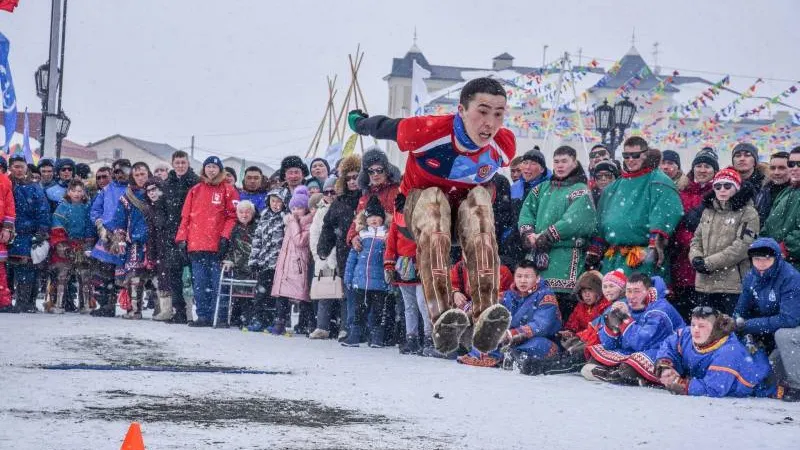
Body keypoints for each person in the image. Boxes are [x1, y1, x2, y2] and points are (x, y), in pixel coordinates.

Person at [348, 77, 517, 355]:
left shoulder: (503, 144)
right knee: (433, 200)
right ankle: (441, 315)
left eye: (498, 114)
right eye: (483, 111)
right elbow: (385, 127)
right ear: (461, 110)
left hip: (461, 218)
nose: (490, 123)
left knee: (479, 200)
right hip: (419, 209)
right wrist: (359, 123)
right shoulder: (428, 130)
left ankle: (486, 314)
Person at [518, 145, 597, 318]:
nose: (560, 165)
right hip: (538, 256)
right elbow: (526, 213)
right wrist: (528, 233)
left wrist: (546, 235)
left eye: (564, 161)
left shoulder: (580, 190)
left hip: (566, 258)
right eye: (556, 161)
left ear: (574, 163)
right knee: (535, 305)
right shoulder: (540, 189)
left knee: (561, 309)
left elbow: (575, 220)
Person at [592, 137, 683, 278]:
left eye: (635, 155)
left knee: (638, 298)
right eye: (626, 156)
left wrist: (655, 242)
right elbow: (601, 221)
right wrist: (595, 249)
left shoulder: (659, 181)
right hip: (613, 258)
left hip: (641, 258)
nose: (630, 159)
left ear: (645, 155)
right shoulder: (613, 188)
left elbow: (665, 212)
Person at [654, 307, 781, 398]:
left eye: (702, 326)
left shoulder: (729, 351)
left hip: (762, 387)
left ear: (715, 329)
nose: (695, 330)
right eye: (693, 325)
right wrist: (665, 366)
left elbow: (714, 388)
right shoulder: (687, 334)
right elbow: (669, 345)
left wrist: (682, 385)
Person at [583, 273, 685, 384]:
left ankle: (617, 375)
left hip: (662, 352)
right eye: (628, 291)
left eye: (637, 291)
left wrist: (624, 319)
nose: (631, 296)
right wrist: (611, 324)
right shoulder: (624, 303)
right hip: (633, 351)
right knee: (594, 357)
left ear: (648, 291)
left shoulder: (660, 309)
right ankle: (616, 374)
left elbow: (641, 343)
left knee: (629, 367)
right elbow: (609, 345)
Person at [175, 156, 239, 327]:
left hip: (217, 246)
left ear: (220, 170)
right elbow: (185, 217)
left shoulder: (228, 190)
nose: (211, 170)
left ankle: (220, 316)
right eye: (208, 166)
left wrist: (225, 237)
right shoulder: (195, 190)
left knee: (218, 284)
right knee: (200, 284)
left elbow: (233, 217)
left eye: (214, 167)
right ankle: (203, 315)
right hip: (196, 245)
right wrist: (182, 238)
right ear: (204, 169)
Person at [460, 260, 561, 368]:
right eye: (519, 276)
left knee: (538, 345)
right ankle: (506, 356)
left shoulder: (546, 295)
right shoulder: (508, 295)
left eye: (527, 277)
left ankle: (509, 356)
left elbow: (541, 325)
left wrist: (511, 334)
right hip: (509, 341)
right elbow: (487, 302)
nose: (522, 281)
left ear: (537, 279)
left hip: (538, 339)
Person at [688, 167, 759, 315]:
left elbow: (742, 247)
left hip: (733, 285)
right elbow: (696, 239)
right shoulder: (708, 211)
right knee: (707, 329)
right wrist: (695, 258)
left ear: (737, 188)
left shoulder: (748, 212)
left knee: (731, 329)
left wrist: (708, 263)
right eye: (717, 186)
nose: (722, 190)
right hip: (705, 283)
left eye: (727, 186)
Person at [668, 147, 719, 318]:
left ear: (715, 170)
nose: (702, 170)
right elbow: (676, 223)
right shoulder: (681, 192)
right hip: (681, 262)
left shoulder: (720, 193)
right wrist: (687, 241)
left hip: (706, 261)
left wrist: (696, 245)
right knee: (682, 309)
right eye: (699, 165)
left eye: (707, 166)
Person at [317, 154, 362, 341]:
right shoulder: (339, 202)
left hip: (367, 250)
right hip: (344, 250)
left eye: (356, 177)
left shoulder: (367, 197)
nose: (352, 182)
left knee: (364, 291)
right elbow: (327, 226)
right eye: (348, 178)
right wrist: (323, 247)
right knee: (347, 290)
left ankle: (362, 329)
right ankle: (346, 327)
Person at [733, 238, 800, 354]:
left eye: (767, 259)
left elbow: (789, 319)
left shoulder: (790, 278)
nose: (761, 263)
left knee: (783, 336)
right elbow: (741, 309)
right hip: (764, 327)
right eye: (757, 259)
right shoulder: (751, 277)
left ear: (776, 258)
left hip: (789, 333)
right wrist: (735, 323)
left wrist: (747, 325)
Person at [384, 196, 431, 355]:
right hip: (403, 268)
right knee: (409, 306)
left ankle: (429, 338)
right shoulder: (397, 222)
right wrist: (389, 264)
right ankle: (412, 338)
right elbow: (391, 244)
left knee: (423, 303)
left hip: (420, 267)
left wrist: (423, 260)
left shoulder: (424, 220)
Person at [342, 196, 390, 347]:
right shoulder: (361, 235)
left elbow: (390, 258)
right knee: (359, 311)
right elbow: (352, 258)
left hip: (379, 282)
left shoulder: (386, 236)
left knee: (377, 311)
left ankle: (376, 338)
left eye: (377, 216)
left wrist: (390, 281)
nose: (374, 220)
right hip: (361, 281)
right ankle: (354, 336)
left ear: (383, 218)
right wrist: (348, 277)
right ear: (366, 219)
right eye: (371, 217)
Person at [108, 162, 153, 320]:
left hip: (154, 241)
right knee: (134, 276)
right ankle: (134, 310)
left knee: (158, 278)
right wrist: (119, 238)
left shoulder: (155, 192)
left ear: (149, 174)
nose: (141, 178)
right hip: (134, 242)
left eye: (143, 174)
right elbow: (119, 220)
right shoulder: (127, 196)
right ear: (132, 177)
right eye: (137, 175)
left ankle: (163, 310)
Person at [89, 158, 132, 317]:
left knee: (126, 274)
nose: (120, 175)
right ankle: (106, 305)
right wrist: (100, 225)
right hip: (107, 235)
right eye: (117, 172)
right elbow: (95, 210)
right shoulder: (107, 190)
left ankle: (131, 306)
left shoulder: (132, 189)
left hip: (126, 236)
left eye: (123, 171)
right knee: (103, 273)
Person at [161, 150, 200, 323]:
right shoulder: (167, 183)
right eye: (177, 163)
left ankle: (200, 313)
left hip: (192, 233)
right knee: (174, 275)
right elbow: (160, 207)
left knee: (194, 275)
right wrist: (163, 223)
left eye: (183, 162)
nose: (180, 166)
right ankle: (180, 312)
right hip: (171, 233)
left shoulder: (196, 183)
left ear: (188, 163)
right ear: (172, 163)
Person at [46, 179, 96, 314]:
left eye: (80, 191)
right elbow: (57, 225)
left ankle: (85, 304)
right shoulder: (62, 206)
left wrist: (88, 243)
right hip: (66, 244)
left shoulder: (87, 207)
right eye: (74, 191)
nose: (77, 194)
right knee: (62, 275)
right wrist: (61, 244)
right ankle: (58, 303)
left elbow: (90, 226)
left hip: (82, 244)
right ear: (68, 192)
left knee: (85, 275)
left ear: (84, 192)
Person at [8, 155, 50, 313]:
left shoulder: (34, 188)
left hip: (28, 233)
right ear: (11, 168)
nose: (19, 170)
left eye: (21, 167)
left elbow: (43, 211)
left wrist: (42, 230)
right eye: (16, 166)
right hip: (9, 232)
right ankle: (10, 298)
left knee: (28, 268)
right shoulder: (6, 184)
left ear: (26, 168)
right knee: (10, 269)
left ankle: (26, 302)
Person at [269, 185, 313, 335]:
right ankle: (279, 322)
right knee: (282, 294)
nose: (296, 211)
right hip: (286, 263)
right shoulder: (289, 222)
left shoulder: (308, 222)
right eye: (293, 208)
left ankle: (305, 323)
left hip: (299, 264)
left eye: (299, 208)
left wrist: (294, 223)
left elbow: (300, 241)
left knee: (302, 295)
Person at [246, 189, 287, 331]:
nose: (275, 204)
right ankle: (258, 319)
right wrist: (254, 261)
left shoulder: (285, 218)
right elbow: (257, 240)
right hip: (264, 262)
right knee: (260, 293)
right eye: (273, 201)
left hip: (280, 263)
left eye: (279, 201)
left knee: (276, 295)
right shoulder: (264, 217)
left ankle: (276, 321)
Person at [346, 147, 401, 251]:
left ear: (386, 170)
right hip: (369, 250)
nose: (375, 174)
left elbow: (403, 219)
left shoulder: (398, 191)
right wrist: (353, 236)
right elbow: (357, 221)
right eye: (371, 171)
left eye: (379, 170)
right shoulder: (365, 197)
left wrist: (392, 233)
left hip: (394, 248)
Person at [309, 178, 340, 339]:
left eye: (333, 191)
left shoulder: (343, 206)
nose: (329, 195)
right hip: (323, 256)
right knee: (324, 293)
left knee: (342, 294)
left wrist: (337, 253)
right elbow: (314, 235)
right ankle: (322, 326)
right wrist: (318, 255)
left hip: (340, 255)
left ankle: (343, 326)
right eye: (326, 192)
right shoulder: (321, 210)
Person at [761, 147, 800, 271]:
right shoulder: (786, 192)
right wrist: (762, 246)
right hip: (777, 266)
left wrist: (784, 248)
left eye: (799, 164)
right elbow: (769, 225)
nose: (794, 168)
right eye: (791, 164)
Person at [221, 200, 257, 327]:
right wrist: (228, 259)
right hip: (237, 265)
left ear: (252, 213)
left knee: (250, 293)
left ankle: (248, 317)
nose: (244, 215)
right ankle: (237, 317)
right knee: (237, 292)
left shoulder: (257, 227)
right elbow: (230, 248)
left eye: (247, 212)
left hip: (253, 266)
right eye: (241, 212)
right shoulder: (235, 228)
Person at [142, 178, 174, 321]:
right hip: (159, 249)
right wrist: (151, 253)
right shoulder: (151, 208)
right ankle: (165, 309)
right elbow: (152, 233)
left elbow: (166, 228)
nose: (151, 193)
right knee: (161, 279)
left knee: (169, 279)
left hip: (169, 248)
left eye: (154, 189)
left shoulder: (167, 205)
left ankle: (172, 310)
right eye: (148, 190)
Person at [755, 151, 791, 224]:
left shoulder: (796, 193)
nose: (776, 172)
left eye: (782, 168)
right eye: (773, 168)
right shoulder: (762, 191)